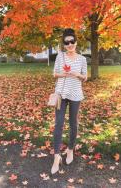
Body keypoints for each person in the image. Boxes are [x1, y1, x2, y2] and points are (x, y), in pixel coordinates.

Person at [51, 28, 88, 174]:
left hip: (75, 94)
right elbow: (54, 74)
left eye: (72, 41)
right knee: (58, 124)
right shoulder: (60, 56)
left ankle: (70, 149)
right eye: (67, 43)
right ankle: (56, 157)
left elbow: (85, 77)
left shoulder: (82, 59)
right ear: (64, 45)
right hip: (61, 94)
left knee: (73, 123)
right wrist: (63, 74)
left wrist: (77, 74)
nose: (70, 44)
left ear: (76, 42)